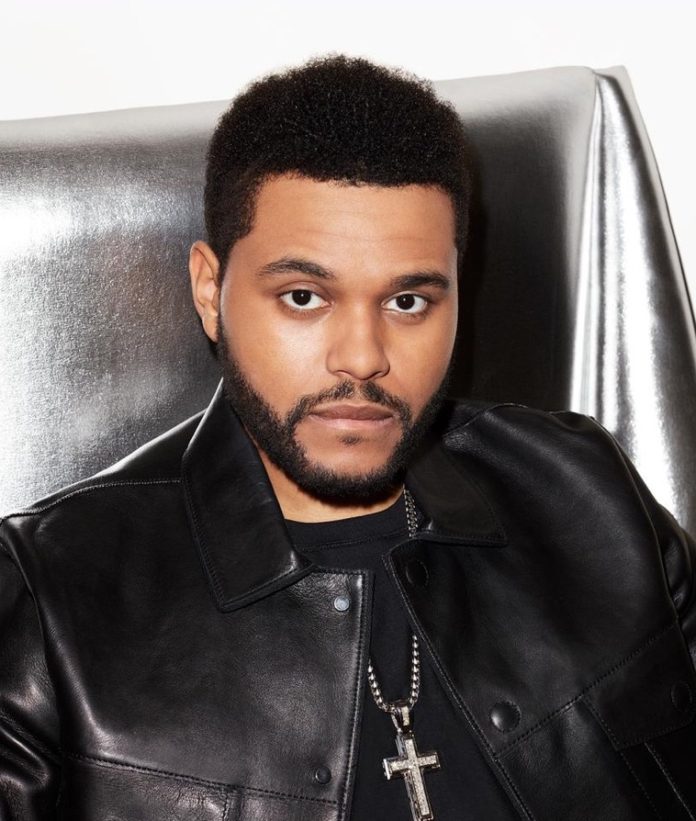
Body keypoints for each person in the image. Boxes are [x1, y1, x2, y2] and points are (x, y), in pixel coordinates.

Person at [1, 55, 694, 821]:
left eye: (408, 300)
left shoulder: (585, 490)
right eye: (304, 296)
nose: (362, 357)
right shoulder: (50, 593)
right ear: (210, 290)